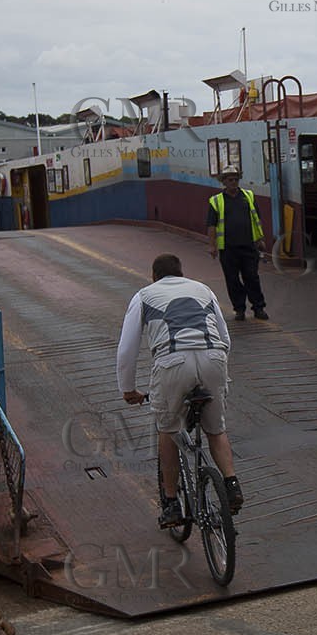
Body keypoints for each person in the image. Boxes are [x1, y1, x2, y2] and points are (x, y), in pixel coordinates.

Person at [117, 253, 244, 526]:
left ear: (154, 276)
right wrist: (216, 368)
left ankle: (173, 503)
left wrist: (128, 389)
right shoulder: (203, 290)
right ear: (181, 273)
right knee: (216, 429)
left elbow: (127, 349)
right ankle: (232, 484)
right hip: (213, 358)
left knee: (170, 431)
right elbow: (224, 338)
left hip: (173, 362)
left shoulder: (144, 296)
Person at [206, 168, 268, 322]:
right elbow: (211, 225)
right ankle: (239, 309)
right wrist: (212, 245)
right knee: (232, 280)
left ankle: (258, 308)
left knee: (252, 277)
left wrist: (260, 239)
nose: (233, 182)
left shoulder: (248, 196)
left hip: (249, 246)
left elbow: (257, 219)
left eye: (236, 179)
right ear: (224, 182)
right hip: (228, 249)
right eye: (230, 180)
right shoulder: (216, 201)